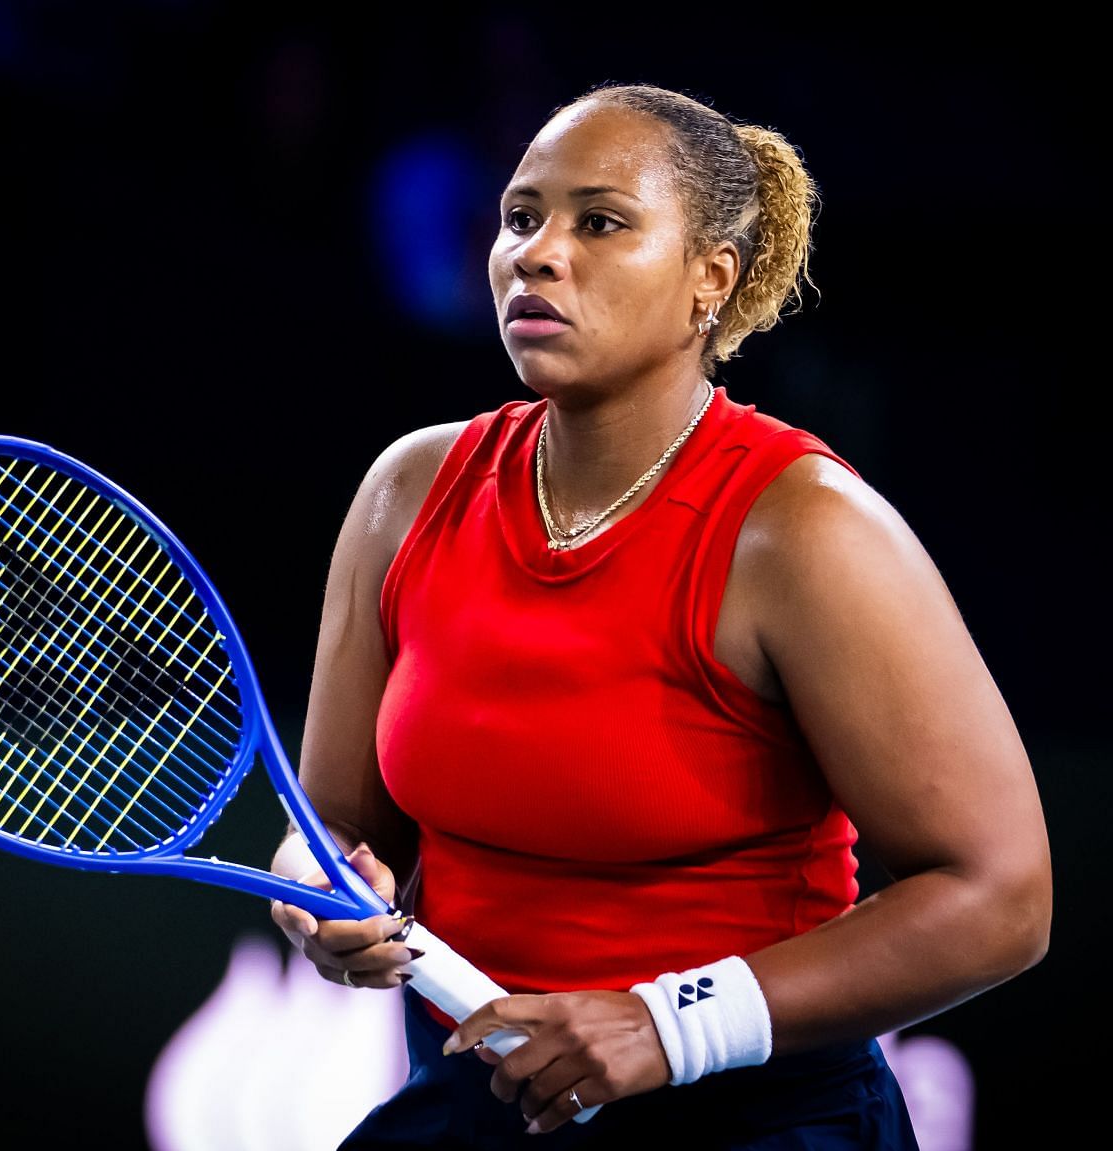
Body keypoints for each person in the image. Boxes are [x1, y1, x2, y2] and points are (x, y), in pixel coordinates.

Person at [269, 81, 1052, 1149]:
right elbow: (337, 833)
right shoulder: (407, 489)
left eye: (600, 221)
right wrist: (313, 887)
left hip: (760, 1119)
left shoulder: (804, 529)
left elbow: (1000, 896)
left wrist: (665, 1024)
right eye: (519, 217)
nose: (537, 253)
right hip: (482, 1103)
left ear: (708, 280)